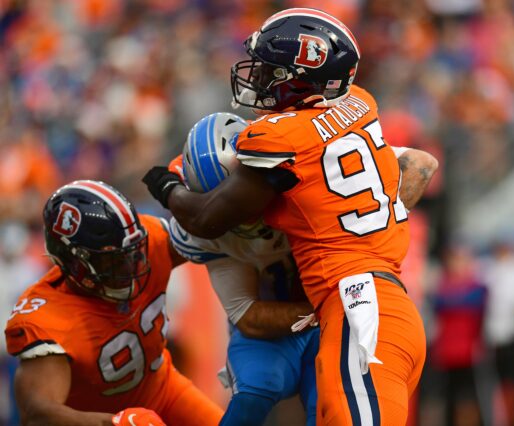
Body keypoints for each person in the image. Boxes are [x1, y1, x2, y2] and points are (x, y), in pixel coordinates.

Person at [143, 8, 439, 425]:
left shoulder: (282, 137)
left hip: (358, 306)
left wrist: (168, 187)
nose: (259, 79)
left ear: (302, 78)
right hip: (375, 302)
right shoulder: (358, 104)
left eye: (269, 71)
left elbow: (208, 218)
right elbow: (420, 164)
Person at [168, 111, 437, 425]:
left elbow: (420, 164)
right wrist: (323, 306)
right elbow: (248, 316)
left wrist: (371, 224)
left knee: (324, 407)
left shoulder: (308, 168)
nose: (236, 214)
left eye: (236, 196)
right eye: (219, 204)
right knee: (255, 390)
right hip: (279, 325)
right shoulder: (206, 234)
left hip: (338, 310)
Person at [4, 180, 224, 426]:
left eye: (132, 253)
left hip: (165, 391)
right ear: (75, 262)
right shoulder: (48, 319)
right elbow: (37, 414)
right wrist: (115, 423)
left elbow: (213, 233)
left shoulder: (148, 240)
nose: (131, 266)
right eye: (113, 261)